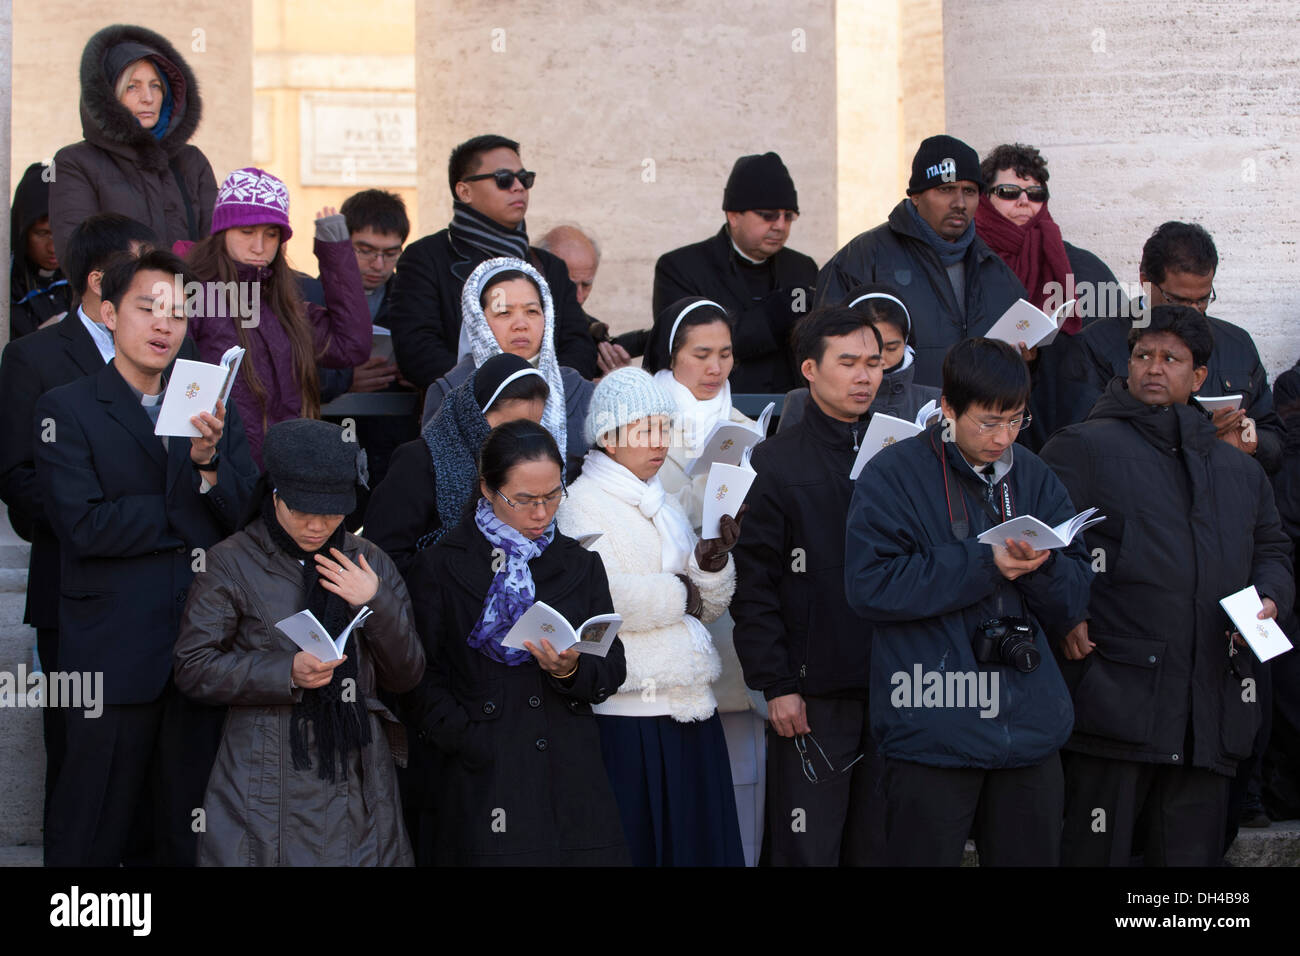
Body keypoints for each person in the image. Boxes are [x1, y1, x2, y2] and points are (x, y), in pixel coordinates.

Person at [1040, 305, 1293, 866]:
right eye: (1142, 355)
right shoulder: (1081, 446)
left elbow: (1271, 546)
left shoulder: (1238, 469)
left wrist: (1271, 595)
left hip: (1209, 709)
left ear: (1199, 377)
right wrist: (1067, 613)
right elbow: (1045, 547)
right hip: (1113, 701)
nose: (1153, 367)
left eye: (1170, 358)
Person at [35, 250, 258, 866]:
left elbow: (242, 517)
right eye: (148, 308)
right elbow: (85, 526)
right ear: (107, 313)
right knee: (93, 823)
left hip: (199, 650)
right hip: (109, 654)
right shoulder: (67, 408)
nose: (165, 326)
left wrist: (209, 464)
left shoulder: (210, 404)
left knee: (187, 827)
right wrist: (187, 498)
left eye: (179, 314)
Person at [844, 337, 1092, 866]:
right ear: (949, 410)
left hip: (1030, 725)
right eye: (987, 422)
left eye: (1016, 421)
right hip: (934, 721)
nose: (1003, 437)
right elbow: (870, 586)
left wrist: (1042, 567)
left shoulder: (1033, 473)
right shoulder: (893, 474)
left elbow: (1075, 594)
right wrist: (985, 564)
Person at [173, 418, 424, 866]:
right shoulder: (231, 562)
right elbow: (193, 667)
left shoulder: (369, 563)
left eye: (331, 514)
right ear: (275, 495)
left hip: (359, 772)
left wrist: (377, 603)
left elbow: (407, 675)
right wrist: (284, 671)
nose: (317, 527)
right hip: (265, 773)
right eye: (302, 512)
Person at [404, 419, 629, 865]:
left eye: (552, 496)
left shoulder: (580, 564)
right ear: (488, 489)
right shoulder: (441, 565)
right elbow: (416, 677)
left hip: (569, 780)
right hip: (483, 779)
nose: (541, 514)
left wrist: (571, 670)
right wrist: (470, 741)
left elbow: (612, 666)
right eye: (524, 500)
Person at [0, 213, 157, 837]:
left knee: (157, 776)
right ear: (99, 281)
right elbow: (16, 477)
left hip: (165, 591)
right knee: (81, 771)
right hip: (74, 592)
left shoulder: (177, 349)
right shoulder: (34, 357)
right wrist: (96, 514)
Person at [558, 368, 745, 866]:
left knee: (696, 845)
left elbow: (707, 605)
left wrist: (711, 563)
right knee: (638, 844)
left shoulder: (660, 502)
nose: (658, 441)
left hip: (687, 704)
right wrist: (683, 592)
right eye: (642, 429)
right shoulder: (579, 503)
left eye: (663, 427)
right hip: (625, 710)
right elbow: (603, 597)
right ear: (608, 437)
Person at [733, 305, 888, 866]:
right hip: (812, 693)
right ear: (809, 370)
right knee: (807, 847)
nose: (864, 376)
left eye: (874, 362)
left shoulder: (903, 456)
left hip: (895, 685)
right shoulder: (772, 462)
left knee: (879, 845)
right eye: (847, 363)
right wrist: (775, 684)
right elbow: (756, 586)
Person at [643, 296, 768, 865]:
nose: (715, 367)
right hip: (660, 611)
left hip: (727, 609)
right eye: (701, 354)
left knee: (738, 764)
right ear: (673, 357)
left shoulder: (745, 430)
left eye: (725, 354)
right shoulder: (640, 423)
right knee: (671, 764)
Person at [1056, 221, 1283, 474]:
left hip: (1226, 497)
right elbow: (1082, 445)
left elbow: (1275, 438)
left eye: (1202, 300)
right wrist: (1195, 435)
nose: (1193, 312)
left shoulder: (1237, 344)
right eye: (1178, 300)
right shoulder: (1095, 345)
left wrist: (1250, 443)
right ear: (1145, 281)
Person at [181, 167, 372, 466]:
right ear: (222, 231)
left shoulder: (285, 299)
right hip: (217, 469)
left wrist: (334, 250)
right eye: (246, 232)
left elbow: (352, 345)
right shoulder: (193, 294)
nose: (259, 246)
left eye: (271, 234)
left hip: (285, 471)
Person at [386, 134, 597, 387]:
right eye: (504, 179)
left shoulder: (550, 267)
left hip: (544, 414)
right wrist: (496, 393)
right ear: (464, 191)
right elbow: (417, 350)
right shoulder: (426, 258)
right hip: (463, 412)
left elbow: (578, 347)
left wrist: (538, 391)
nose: (518, 187)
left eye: (525, 179)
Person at [815, 135, 1026, 387]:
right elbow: (823, 357)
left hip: (975, 423)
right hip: (892, 423)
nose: (959, 203)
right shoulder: (862, 258)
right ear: (916, 196)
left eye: (969, 191)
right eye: (945, 189)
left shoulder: (994, 267)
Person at [975, 143, 1124, 447]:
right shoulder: (965, 261)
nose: (1023, 201)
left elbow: (1114, 345)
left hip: (1063, 424)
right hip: (982, 421)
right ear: (985, 197)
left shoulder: (1081, 266)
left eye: (1035, 193)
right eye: (1008, 192)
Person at [365, 353, 550, 578]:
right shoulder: (418, 462)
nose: (521, 441)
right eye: (509, 428)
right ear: (473, 415)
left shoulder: (529, 469)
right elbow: (382, 558)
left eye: (532, 429)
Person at [49, 24, 216, 263]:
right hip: (113, 299)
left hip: (188, 299)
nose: (147, 98)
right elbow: (78, 255)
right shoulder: (75, 163)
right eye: (132, 87)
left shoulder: (191, 161)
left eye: (155, 86)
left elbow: (217, 249)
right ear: (109, 95)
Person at [653, 152, 817, 395]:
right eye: (768, 215)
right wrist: (771, 318)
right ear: (733, 215)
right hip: (714, 414)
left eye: (788, 216)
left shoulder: (802, 268)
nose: (780, 225)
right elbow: (682, 347)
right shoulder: (680, 268)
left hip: (791, 416)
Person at [421, 257, 593, 476]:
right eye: (504, 313)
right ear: (478, 321)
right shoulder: (450, 392)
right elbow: (439, 479)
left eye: (532, 312)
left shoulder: (579, 390)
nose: (520, 325)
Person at [318, 189, 418, 512]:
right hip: (328, 446)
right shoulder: (309, 298)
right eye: (365, 251)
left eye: (391, 253)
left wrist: (414, 371)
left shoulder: (414, 300)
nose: (379, 264)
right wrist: (341, 377)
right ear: (343, 243)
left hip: (393, 447)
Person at [778, 285, 940, 432]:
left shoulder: (934, 401)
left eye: (891, 348)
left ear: (906, 344)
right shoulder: (802, 401)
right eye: (848, 363)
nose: (880, 358)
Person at [537, 223, 646, 375]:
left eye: (586, 285)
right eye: (569, 285)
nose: (579, 297)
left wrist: (613, 377)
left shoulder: (590, 329)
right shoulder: (518, 323)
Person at [10, 162, 72, 338]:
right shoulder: (9, 289)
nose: (53, 248)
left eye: (60, 232)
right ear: (23, 231)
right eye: (42, 233)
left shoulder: (87, 280)